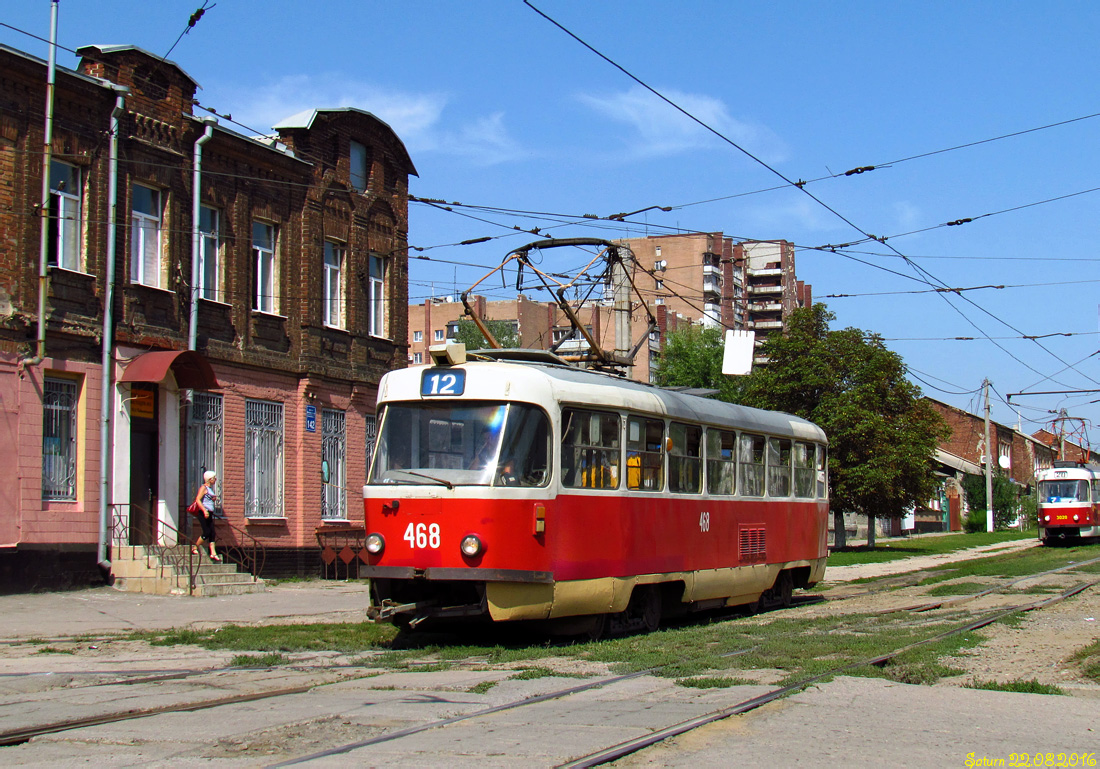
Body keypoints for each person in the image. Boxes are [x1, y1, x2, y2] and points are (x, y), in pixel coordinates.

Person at [191, 470, 220, 561]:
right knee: (206, 532)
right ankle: (195, 547)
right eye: (214, 478)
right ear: (209, 479)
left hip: (209, 512)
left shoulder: (210, 489)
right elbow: (198, 499)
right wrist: (204, 510)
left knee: (212, 533)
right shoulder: (203, 488)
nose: (215, 479)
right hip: (203, 513)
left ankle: (213, 553)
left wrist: (213, 499)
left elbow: (207, 500)